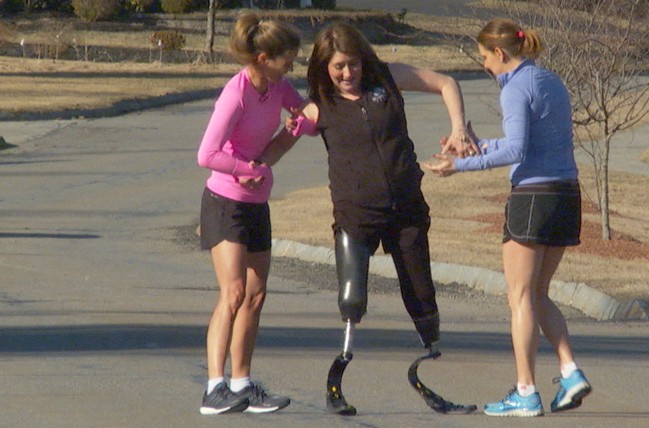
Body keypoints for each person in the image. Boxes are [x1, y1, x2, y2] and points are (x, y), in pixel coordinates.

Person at [288, 21, 477, 415]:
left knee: (422, 295)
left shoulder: (387, 79)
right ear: (324, 66)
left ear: (364, 60)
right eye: (338, 66)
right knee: (352, 298)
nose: (346, 74)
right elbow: (283, 134)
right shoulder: (319, 104)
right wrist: (247, 163)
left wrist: (459, 127)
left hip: (406, 208)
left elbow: (446, 82)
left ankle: (429, 356)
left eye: (353, 65)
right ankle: (339, 374)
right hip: (356, 214)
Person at [425, 18, 592, 417]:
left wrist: (459, 166)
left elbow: (516, 151)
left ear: (500, 53)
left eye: (484, 57)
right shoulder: (549, 80)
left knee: (519, 297)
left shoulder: (515, 87)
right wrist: (479, 145)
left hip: (532, 197)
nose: (483, 65)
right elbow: (532, 142)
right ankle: (570, 372)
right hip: (565, 195)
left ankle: (526, 392)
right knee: (537, 294)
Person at [195, 11, 303, 415]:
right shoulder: (236, 93)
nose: (291, 66)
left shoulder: (278, 88)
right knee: (234, 292)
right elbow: (206, 154)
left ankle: (241, 383)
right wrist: (248, 169)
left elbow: (305, 120)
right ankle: (214, 388)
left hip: (257, 204)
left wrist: (299, 123)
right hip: (225, 203)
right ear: (263, 59)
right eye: (286, 60)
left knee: (255, 296)